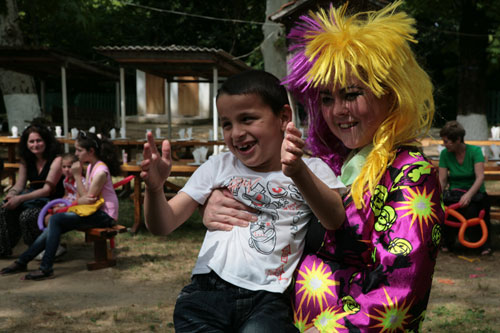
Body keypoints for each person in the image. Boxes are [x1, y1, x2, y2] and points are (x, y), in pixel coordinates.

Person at [201, 2, 444, 332]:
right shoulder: (324, 164)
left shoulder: (412, 173)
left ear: (391, 93)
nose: (338, 111)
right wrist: (218, 205)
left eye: (352, 94)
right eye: (327, 99)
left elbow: (401, 285)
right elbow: (269, 221)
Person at [141, 70, 346, 332]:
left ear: (283, 117)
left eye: (247, 119)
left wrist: (297, 172)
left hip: (269, 298)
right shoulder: (218, 165)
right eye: (227, 124)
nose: (236, 133)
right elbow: (163, 224)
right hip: (207, 293)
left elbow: (335, 218)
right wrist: (156, 189)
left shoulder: (312, 169)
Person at [0, 131, 121, 280]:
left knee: (56, 220)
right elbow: (82, 198)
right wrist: (78, 199)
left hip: (105, 215)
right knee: (54, 222)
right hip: (92, 211)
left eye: (79, 150)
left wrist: (77, 175)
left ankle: (45, 268)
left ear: (91, 151)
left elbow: (87, 199)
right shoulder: (91, 166)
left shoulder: (100, 171)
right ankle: (22, 261)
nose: (76, 154)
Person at [0, 122, 64, 257]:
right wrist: (11, 194)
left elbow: (47, 190)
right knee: (3, 208)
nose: (35, 145)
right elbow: (19, 184)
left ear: (46, 141)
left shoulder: (57, 159)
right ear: (26, 144)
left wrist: (20, 198)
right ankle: (4, 249)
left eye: (39, 141)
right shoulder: (26, 159)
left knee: (27, 215)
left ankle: (39, 248)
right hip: (31, 198)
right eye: (31, 141)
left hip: (51, 200)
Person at [439, 120, 493, 255]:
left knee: (473, 208)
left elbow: (480, 177)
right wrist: (437, 197)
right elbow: (443, 179)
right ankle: (447, 242)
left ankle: (483, 244)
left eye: (447, 141)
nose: (444, 145)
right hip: (455, 192)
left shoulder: (475, 151)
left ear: (458, 139)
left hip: (474, 192)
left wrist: (468, 195)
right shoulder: (445, 154)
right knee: (444, 208)